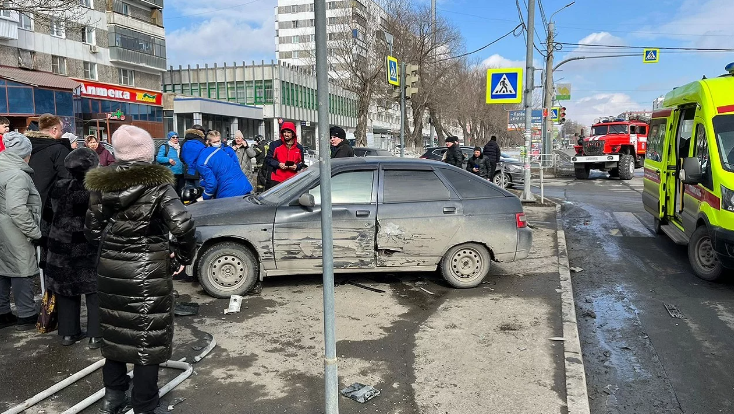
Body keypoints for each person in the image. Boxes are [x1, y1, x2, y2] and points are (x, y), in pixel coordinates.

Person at [84, 125, 196, 414]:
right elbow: (182, 224)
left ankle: (113, 398)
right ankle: (144, 403)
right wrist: (183, 255)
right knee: (146, 338)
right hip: (146, 269)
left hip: (111, 268)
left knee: (115, 333)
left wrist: (112, 247)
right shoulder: (158, 185)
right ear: (146, 153)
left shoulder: (100, 185)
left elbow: (92, 230)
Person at [40, 148, 101, 348]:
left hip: (61, 247)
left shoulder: (58, 186)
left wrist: (46, 246)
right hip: (89, 247)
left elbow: (47, 218)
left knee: (66, 290)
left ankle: (68, 333)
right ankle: (96, 335)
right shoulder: (96, 189)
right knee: (95, 291)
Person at [0, 132, 41, 330]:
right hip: (14, 229)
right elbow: (17, 209)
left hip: (2, 228)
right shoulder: (18, 174)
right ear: (26, 154)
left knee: (2, 269)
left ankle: (3, 313)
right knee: (21, 269)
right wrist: (35, 232)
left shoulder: (3, 167)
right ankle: (27, 314)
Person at [26, 114, 71, 205]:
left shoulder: (25, 146)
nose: (62, 133)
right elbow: (67, 177)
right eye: (61, 130)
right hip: (49, 204)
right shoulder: (58, 149)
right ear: (54, 130)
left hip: (27, 199)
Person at [196, 130, 252, 200]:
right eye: (214, 142)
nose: (217, 143)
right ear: (208, 142)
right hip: (230, 186)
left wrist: (205, 196)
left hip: (227, 188)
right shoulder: (209, 155)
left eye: (218, 141)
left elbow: (236, 166)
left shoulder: (227, 150)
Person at [265, 122, 306, 190]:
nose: (286, 134)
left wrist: (297, 166)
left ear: (293, 134)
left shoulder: (299, 147)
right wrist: (278, 164)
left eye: (288, 132)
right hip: (276, 180)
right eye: (284, 132)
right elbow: (268, 159)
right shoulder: (275, 145)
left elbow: (301, 162)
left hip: (292, 180)